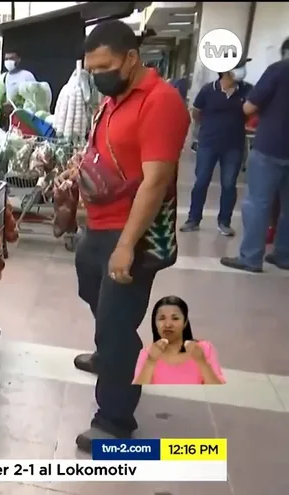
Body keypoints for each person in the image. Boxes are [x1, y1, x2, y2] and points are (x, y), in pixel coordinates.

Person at [62, 20, 190, 452]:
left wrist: (124, 247)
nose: (98, 75)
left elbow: (155, 182)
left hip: (131, 230)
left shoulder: (160, 102)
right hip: (99, 225)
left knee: (118, 325)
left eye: (105, 66)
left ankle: (114, 419)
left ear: (131, 59)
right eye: (91, 68)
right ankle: (110, 352)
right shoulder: (114, 100)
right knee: (91, 290)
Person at [221, 37, 289, 272]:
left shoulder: (278, 70)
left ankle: (251, 258)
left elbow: (248, 107)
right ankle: (284, 255)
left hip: (271, 145)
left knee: (258, 203)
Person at [180, 63, 253, 236]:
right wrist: (206, 128)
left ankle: (224, 222)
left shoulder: (247, 90)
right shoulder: (208, 90)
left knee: (229, 184)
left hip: (234, 145)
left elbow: (251, 110)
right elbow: (196, 112)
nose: (242, 71)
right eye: (238, 67)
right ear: (225, 71)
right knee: (201, 182)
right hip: (208, 143)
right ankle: (193, 219)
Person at [132, 296, 226, 385]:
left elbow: (219, 393)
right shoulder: (147, 354)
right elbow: (137, 393)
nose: (168, 324)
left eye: (175, 318)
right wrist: (150, 362)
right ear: (155, 323)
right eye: (162, 318)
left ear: (185, 322)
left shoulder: (204, 349)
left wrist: (202, 362)